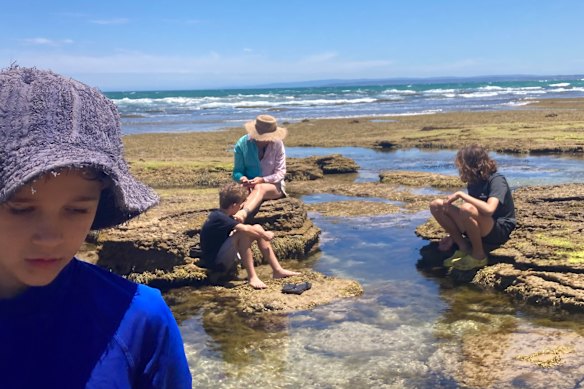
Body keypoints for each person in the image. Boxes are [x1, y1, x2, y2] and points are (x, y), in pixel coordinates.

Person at [0, 66, 192, 388]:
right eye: (21, 208)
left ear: (100, 202)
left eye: (77, 209)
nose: (50, 239)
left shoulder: (137, 319)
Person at [429, 144, 516, 271]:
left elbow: (489, 210)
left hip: (499, 229)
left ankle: (479, 256)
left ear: (471, 165)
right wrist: (453, 237)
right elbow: (474, 213)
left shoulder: (497, 180)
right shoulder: (473, 181)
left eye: (461, 165)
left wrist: (461, 195)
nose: (459, 168)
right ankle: (463, 248)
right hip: (483, 225)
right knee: (436, 205)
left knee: (466, 208)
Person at [200, 182, 300, 289]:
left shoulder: (223, 215)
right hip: (216, 264)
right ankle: (252, 277)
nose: (241, 207)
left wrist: (259, 232)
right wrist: (265, 235)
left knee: (257, 227)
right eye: (240, 204)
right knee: (243, 233)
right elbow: (245, 229)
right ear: (234, 205)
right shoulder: (219, 218)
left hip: (222, 255)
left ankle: (277, 270)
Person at [232, 114, 287, 223]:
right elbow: (237, 171)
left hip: (273, 186)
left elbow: (281, 172)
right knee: (234, 194)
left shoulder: (277, 144)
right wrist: (242, 178)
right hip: (248, 186)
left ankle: (243, 213)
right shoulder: (242, 144)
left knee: (260, 188)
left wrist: (263, 180)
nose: (266, 140)